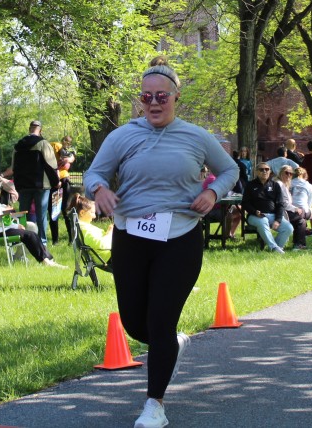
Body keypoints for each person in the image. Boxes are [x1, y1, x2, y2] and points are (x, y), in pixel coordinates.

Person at [83, 57, 238, 428]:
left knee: (161, 320)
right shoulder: (122, 136)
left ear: (175, 97)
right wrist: (100, 190)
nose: (153, 103)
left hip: (179, 237)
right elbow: (94, 174)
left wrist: (213, 193)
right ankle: (172, 344)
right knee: (137, 325)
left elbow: (229, 169)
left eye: (161, 96)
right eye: (146, 97)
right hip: (131, 236)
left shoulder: (196, 136)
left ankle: (155, 404)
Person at [0, 176, 63, 267]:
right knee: (30, 235)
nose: (1, 190)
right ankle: (45, 261)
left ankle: (21, 256)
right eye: (0, 187)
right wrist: (16, 226)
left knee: (31, 226)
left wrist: (5, 208)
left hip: (0, 229)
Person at [9, 121, 60, 246]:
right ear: (40, 130)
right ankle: (42, 243)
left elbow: (13, 166)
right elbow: (51, 165)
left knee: (23, 215)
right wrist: (56, 182)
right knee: (41, 215)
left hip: (23, 185)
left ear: (29, 129)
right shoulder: (43, 143)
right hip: (41, 185)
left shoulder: (18, 146)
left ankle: (23, 240)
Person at [243, 164, 292, 252]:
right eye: (261, 169)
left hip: (273, 215)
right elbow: (245, 203)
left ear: (270, 171)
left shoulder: (275, 185)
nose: (264, 171)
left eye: (267, 169)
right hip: (255, 216)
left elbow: (280, 204)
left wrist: (278, 220)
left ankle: (276, 248)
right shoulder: (250, 185)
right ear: (256, 172)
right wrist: (254, 211)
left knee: (288, 228)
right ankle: (273, 247)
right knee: (263, 221)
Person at [276, 166, 311, 250]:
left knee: (301, 220)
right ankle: (300, 242)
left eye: (291, 174)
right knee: (302, 214)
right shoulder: (279, 184)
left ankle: (298, 244)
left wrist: (295, 208)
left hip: (284, 210)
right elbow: (283, 203)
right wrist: (295, 209)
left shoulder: (284, 184)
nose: (289, 175)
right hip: (280, 212)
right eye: (286, 173)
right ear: (281, 173)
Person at [74, 195, 113, 259]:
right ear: (82, 213)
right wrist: (110, 233)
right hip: (107, 256)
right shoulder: (84, 229)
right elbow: (102, 245)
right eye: (92, 212)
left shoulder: (84, 226)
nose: (94, 216)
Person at [292, 167, 312, 244]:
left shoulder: (288, 183)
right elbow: (309, 203)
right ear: (305, 175)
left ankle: (304, 231)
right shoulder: (308, 185)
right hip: (302, 210)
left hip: (289, 211)